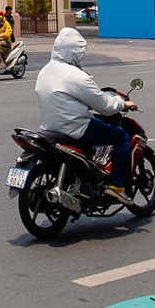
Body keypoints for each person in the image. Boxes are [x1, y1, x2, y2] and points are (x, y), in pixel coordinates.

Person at [36, 27, 134, 201]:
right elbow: (105, 106)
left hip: (51, 128)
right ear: (75, 52)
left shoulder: (46, 70)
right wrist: (122, 103)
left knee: (97, 123)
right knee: (121, 137)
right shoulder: (76, 76)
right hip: (75, 129)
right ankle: (117, 186)